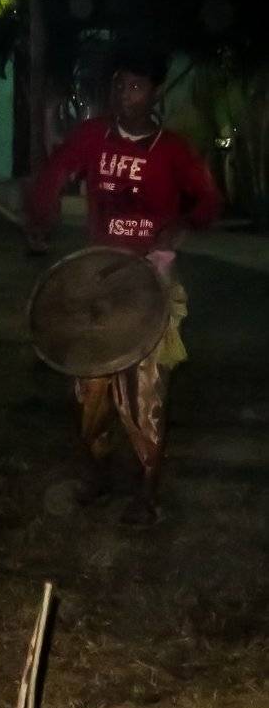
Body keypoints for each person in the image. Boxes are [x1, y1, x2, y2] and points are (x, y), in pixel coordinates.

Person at [26, 49, 221, 525]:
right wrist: (41, 218)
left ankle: (146, 490)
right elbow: (55, 174)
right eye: (118, 85)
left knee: (145, 390)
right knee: (89, 384)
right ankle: (97, 473)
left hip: (150, 281)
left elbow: (209, 201)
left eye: (135, 86)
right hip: (98, 278)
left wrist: (178, 226)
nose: (123, 95)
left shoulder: (173, 150)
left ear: (155, 92)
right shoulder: (94, 136)